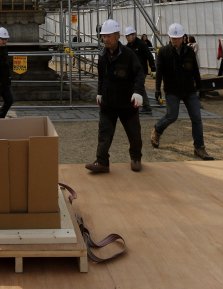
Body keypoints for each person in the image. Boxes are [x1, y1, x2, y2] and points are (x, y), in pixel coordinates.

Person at [85, 19, 145, 174]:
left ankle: (136, 158)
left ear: (117, 36)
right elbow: (101, 78)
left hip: (127, 103)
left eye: (109, 36)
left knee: (134, 133)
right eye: (103, 36)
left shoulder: (129, 54)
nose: (105, 39)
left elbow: (139, 74)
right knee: (104, 133)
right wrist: (99, 92)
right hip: (108, 103)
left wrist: (138, 91)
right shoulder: (102, 55)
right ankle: (102, 162)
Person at [151, 23, 214, 160]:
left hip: (189, 90)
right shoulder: (163, 52)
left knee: (197, 118)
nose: (176, 40)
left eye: (178, 37)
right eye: (173, 38)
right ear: (169, 37)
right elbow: (159, 72)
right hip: (172, 90)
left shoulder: (190, 51)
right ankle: (157, 129)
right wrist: (157, 89)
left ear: (183, 37)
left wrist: (201, 88)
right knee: (172, 116)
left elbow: (195, 71)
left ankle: (199, 148)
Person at [125, 26, 156, 114]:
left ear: (134, 35)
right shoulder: (128, 46)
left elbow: (149, 56)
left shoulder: (141, 45)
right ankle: (139, 104)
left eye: (129, 36)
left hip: (141, 70)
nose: (127, 37)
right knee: (136, 86)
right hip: (132, 71)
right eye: (126, 36)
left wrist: (153, 67)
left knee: (139, 86)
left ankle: (146, 106)